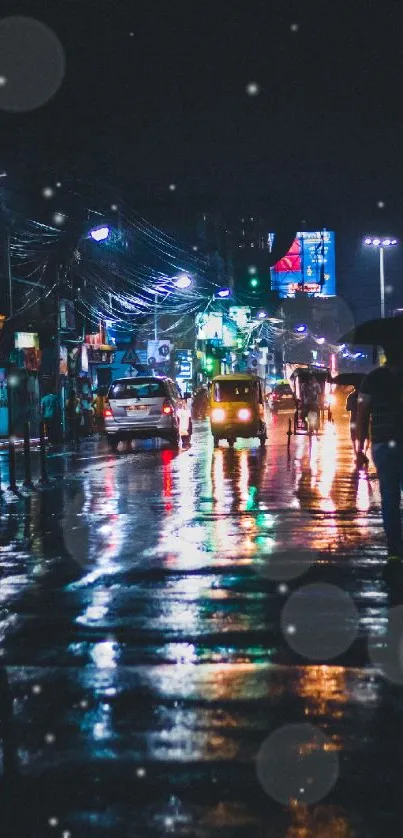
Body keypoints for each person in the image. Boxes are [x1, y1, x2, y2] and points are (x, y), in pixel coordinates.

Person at [356, 342, 403, 574]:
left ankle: (394, 549)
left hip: (383, 444)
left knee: (390, 497)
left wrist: (360, 450)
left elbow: (362, 415)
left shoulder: (373, 378)